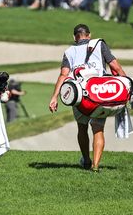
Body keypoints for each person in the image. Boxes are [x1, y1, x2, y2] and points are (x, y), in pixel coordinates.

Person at [47, 24, 126, 172]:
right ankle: (95, 166)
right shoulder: (99, 44)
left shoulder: (69, 51)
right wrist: (127, 85)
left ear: (74, 37)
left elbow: (64, 75)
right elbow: (115, 66)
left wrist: (54, 97)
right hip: (99, 93)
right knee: (98, 129)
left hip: (79, 96)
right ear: (89, 35)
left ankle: (86, 160)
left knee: (82, 128)